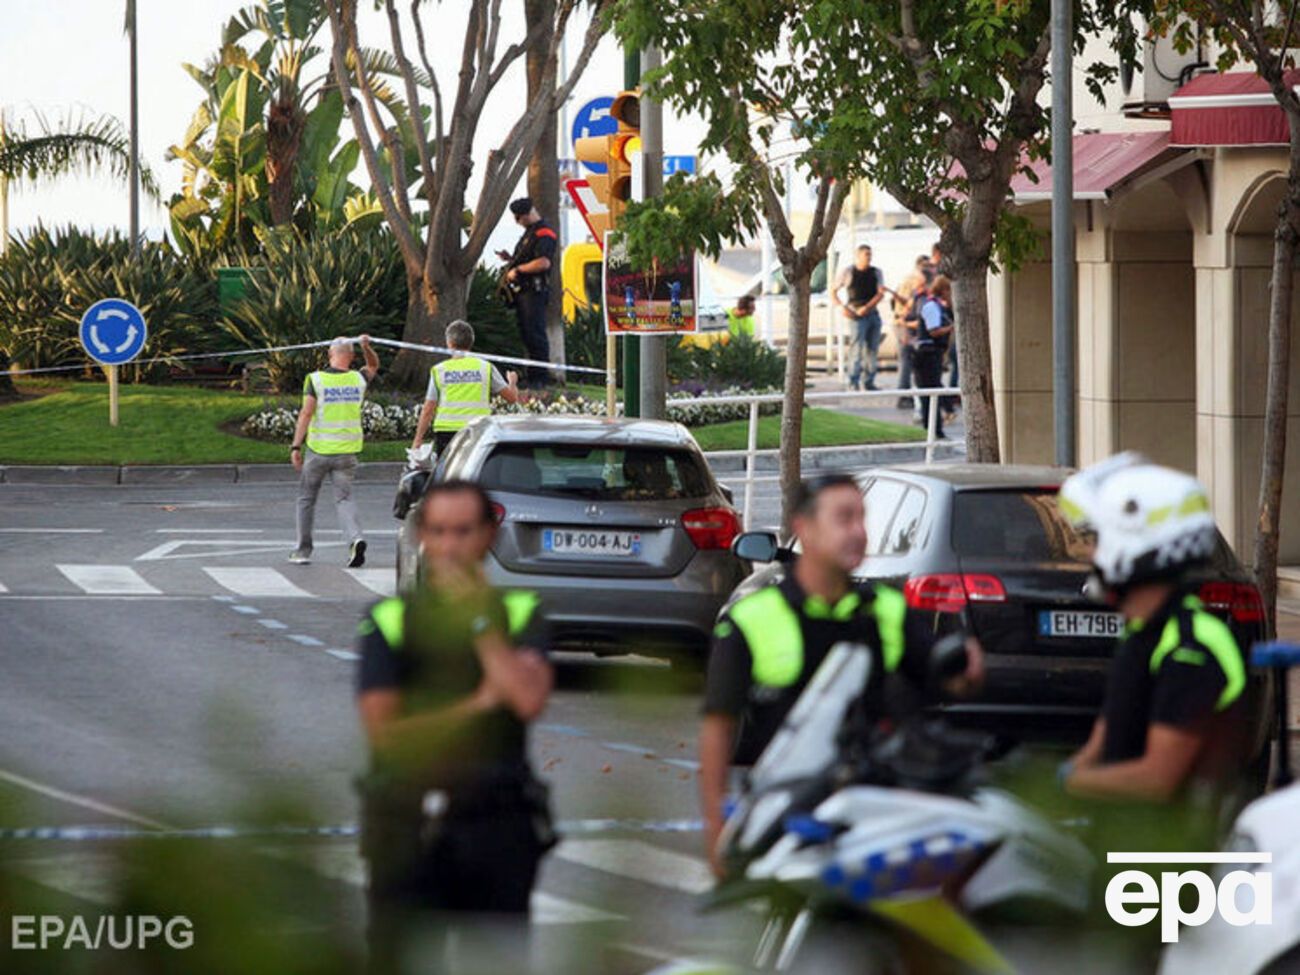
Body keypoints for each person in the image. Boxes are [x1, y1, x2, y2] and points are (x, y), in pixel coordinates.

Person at [699, 475, 985, 875]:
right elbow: (719, 726)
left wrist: (966, 674)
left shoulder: (886, 608)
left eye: (862, 519)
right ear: (805, 528)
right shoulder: (752, 617)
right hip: (788, 808)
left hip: (874, 811)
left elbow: (941, 681)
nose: (859, 532)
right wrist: (717, 829)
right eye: (844, 519)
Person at [355, 479, 554, 971]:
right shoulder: (389, 621)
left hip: (495, 823)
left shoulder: (520, 612)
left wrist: (480, 624)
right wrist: (478, 704)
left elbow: (527, 699)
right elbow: (387, 735)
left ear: (489, 535)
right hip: (405, 825)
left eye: (463, 531)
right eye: (439, 531)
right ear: (421, 535)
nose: (449, 547)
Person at [1058, 454, 1251, 806]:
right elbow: (1106, 738)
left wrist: (1063, 786)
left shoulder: (1191, 646)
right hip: (1124, 838)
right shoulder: (1141, 634)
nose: (1089, 554)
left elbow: (1156, 780)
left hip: (1175, 852)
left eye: (1098, 540)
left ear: (1134, 547)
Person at [289, 335, 379, 567]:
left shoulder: (315, 380)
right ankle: (355, 539)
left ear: (330, 354)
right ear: (351, 356)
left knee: (306, 499)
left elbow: (306, 413)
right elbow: (373, 366)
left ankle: (302, 551)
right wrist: (366, 346)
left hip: (318, 451)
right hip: (346, 453)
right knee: (344, 499)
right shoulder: (358, 379)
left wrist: (296, 445)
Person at [411, 320, 523, 457]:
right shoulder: (485, 367)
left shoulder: (439, 370)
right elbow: (512, 398)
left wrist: (418, 440)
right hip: (477, 430)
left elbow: (429, 408)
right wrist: (512, 382)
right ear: (471, 342)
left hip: (446, 431)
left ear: (449, 343)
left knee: (447, 475)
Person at [495, 197, 557, 388]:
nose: (517, 222)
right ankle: (532, 376)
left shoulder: (544, 232)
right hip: (524, 293)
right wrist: (511, 260)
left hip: (534, 292)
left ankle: (540, 378)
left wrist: (519, 270)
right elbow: (528, 257)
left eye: (518, 217)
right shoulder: (530, 233)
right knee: (528, 334)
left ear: (528, 213)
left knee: (535, 334)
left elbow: (543, 262)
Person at [832, 245, 886, 390]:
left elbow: (881, 293)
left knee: (872, 348)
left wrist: (867, 307)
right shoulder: (849, 272)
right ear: (858, 256)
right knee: (856, 348)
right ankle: (853, 380)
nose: (869, 257)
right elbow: (833, 291)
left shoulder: (876, 272)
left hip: (872, 312)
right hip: (855, 313)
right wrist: (841, 307)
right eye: (866, 254)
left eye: (870, 254)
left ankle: (869, 380)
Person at [912, 275, 954, 440]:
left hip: (933, 354)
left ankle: (936, 427)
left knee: (932, 391)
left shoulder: (940, 306)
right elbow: (934, 330)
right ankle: (933, 429)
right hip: (926, 354)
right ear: (944, 290)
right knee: (929, 393)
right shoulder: (931, 306)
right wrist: (951, 328)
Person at [891, 255, 931, 410]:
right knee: (906, 361)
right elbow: (904, 308)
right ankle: (904, 396)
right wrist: (907, 325)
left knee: (911, 361)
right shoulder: (913, 282)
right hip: (904, 326)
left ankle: (910, 396)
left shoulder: (917, 282)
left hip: (907, 325)